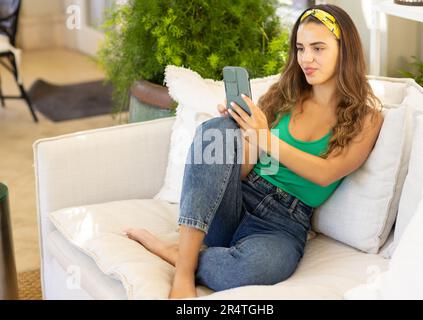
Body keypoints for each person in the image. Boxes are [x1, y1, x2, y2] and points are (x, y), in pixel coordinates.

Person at [124, 4, 384, 299]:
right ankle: (184, 272)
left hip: (283, 224)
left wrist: (264, 138)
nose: (306, 59)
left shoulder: (366, 118)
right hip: (236, 201)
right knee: (217, 130)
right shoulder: (285, 94)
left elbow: (325, 174)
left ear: (344, 49)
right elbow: (247, 168)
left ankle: (179, 252)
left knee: (254, 269)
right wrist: (243, 132)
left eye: (318, 48)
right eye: (300, 48)